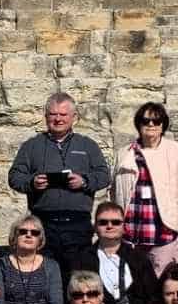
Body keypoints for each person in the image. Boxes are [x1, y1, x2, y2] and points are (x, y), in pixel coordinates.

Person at [7, 91, 110, 273]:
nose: (58, 119)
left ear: (74, 117)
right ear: (46, 116)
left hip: (77, 225)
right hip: (43, 225)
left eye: (63, 114)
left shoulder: (87, 145)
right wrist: (32, 183)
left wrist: (84, 181)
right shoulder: (32, 145)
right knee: (44, 276)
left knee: (78, 278)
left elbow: (104, 175)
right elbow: (15, 176)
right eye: (53, 114)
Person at [111, 101, 178, 273]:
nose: (151, 124)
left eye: (156, 121)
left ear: (163, 125)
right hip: (130, 232)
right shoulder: (123, 153)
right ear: (138, 124)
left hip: (163, 231)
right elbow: (113, 191)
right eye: (145, 121)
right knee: (132, 285)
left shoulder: (175, 151)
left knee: (162, 284)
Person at [88, 201, 159, 304]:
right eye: (103, 222)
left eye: (116, 222)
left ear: (123, 226)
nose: (109, 226)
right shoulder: (83, 259)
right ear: (95, 227)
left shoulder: (139, 259)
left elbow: (152, 297)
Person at [0, 217, 64, 304]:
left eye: (35, 233)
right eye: (23, 232)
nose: (28, 235)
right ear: (14, 237)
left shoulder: (51, 266)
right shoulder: (0, 265)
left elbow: (57, 302)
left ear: (40, 240)